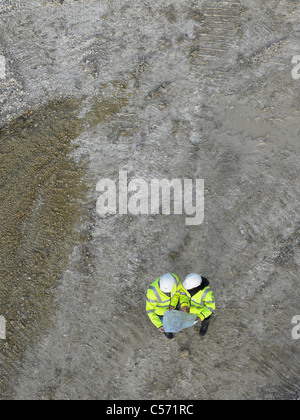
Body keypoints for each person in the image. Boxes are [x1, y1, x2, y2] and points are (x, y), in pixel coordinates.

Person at [146, 273, 184, 340]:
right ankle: (167, 331)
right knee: (166, 325)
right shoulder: (152, 292)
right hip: (161, 313)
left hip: (172, 306)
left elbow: (177, 293)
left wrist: (173, 304)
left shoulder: (174, 279)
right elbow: (150, 310)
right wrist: (159, 325)